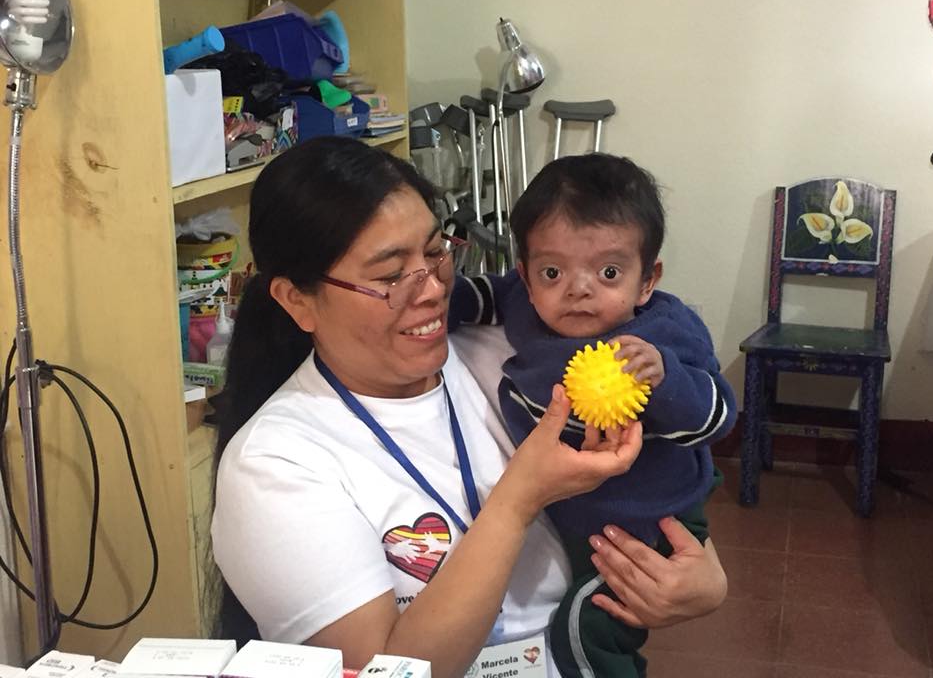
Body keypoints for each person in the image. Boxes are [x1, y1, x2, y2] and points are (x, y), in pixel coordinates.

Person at [210, 137, 728, 678]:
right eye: (390, 276)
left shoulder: (517, 358)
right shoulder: (275, 464)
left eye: (435, 253)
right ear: (298, 300)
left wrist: (703, 582)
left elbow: (665, 476)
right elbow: (383, 673)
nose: (433, 289)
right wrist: (517, 499)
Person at [449, 153, 737, 677]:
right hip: (575, 518)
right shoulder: (524, 301)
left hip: (648, 521)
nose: (578, 288)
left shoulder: (662, 337)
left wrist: (666, 378)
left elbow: (717, 417)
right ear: (527, 276)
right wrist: (428, 299)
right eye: (552, 271)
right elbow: (478, 296)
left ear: (647, 280)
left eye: (608, 271)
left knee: (590, 626)